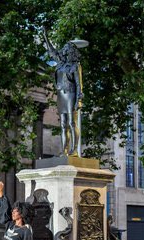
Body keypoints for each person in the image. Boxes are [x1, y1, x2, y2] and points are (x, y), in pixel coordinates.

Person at [43, 28, 83, 156]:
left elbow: (79, 84)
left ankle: (75, 150)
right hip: (61, 95)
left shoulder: (75, 66)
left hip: (71, 94)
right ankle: (65, 151)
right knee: (62, 124)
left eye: (66, 48)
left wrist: (79, 100)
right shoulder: (60, 65)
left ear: (70, 51)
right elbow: (52, 51)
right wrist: (45, 37)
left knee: (72, 123)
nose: (63, 49)